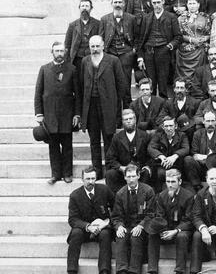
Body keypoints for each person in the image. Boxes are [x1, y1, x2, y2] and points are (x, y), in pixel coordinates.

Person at [80, 35, 128, 179]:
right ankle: (96, 170)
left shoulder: (113, 60)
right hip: (91, 106)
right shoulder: (85, 61)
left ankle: (108, 170)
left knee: (108, 139)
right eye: (92, 46)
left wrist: (117, 106)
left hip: (107, 106)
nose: (95, 49)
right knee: (94, 140)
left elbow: (121, 85)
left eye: (97, 46)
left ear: (103, 46)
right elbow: (82, 85)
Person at [35, 41, 81, 184]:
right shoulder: (44, 69)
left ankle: (67, 174)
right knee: (53, 146)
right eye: (57, 51)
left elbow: (78, 94)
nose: (59, 54)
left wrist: (77, 114)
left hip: (67, 114)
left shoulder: (72, 69)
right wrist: (39, 113)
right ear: (52, 52)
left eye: (62, 51)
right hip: (50, 115)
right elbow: (38, 92)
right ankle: (56, 174)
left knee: (67, 146)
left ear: (65, 52)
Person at [146, 169, 195, 274]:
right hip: (167, 230)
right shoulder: (162, 196)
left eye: (173, 181)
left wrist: (176, 231)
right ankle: (153, 273)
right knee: (152, 234)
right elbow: (160, 216)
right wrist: (163, 230)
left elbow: (189, 220)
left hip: (182, 232)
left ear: (180, 181)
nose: (170, 185)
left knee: (182, 236)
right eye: (168, 181)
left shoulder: (188, 196)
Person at [66, 166, 114, 274]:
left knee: (106, 234)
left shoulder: (104, 190)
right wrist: (87, 226)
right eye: (87, 179)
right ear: (82, 179)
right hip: (85, 230)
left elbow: (117, 209)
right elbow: (72, 219)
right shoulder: (75, 195)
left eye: (93, 178)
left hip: (102, 227)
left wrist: (107, 222)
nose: (91, 182)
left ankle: (105, 273)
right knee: (75, 233)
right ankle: (72, 273)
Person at [111, 164, 155, 274]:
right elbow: (116, 216)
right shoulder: (120, 194)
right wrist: (119, 226)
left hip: (143, 226)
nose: (131, 179)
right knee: (121, 236)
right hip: (127, 226)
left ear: (139, 176)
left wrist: (141, 225)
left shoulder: (148, 191)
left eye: (133, 176)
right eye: (128, 176)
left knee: (136, 236)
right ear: (124, 177)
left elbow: (152, 214)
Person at [137, 0, 182, 99]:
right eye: (154, 3)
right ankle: (151, 105)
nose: (156, 5)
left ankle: (164, 107)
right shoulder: (147, 18)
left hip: (164, 53)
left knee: (163, 83)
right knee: (151, 82)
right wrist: (140, 57)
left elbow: (178, 37)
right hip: (149, 53)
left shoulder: (171, 17)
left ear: (163, 2)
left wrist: (168, 46)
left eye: (158, 2)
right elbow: (140, 40)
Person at [99, 0, 136, 106]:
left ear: (124, 4)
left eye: (120, 2)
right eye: (115, 2)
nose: (118, 5)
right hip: (111, 53)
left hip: (126, 53)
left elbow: (136, 36)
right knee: (111, 82)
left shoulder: (131, 18)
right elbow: (101, 37)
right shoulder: (104, 19)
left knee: (125, 82)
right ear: (111, 4)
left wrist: (133, 51)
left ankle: (127, 108)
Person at [105, 109, 152, 193]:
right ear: (122, 122)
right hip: (123, 171)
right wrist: (120, 168)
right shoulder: (117, 137)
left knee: (147, 173)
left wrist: (147, 166)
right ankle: (116, 201)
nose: (129, 121)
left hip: (140, 170)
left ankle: (142, 199)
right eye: (126, 119)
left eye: (131, 119)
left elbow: (151, 155)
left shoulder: (145, 136)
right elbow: (110, 158)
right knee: (110, 174)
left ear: (135, 120)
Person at [183, 111, 216, 189]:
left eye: (212, 121)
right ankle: (197, 186)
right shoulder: (197, 134)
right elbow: (194, 153)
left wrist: (205, 157)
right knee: (188, 159)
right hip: (201, 166)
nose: (210, 124)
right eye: (208, 121)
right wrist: (209, 156)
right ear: (204, 122)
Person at [147, 116, 190, 192]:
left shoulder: (182, 135)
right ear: (163, 127)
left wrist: (174, 156)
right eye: (166, 126)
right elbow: (151, 148)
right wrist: (161, 156)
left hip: (177, 165)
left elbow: (186, 148)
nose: (169, 128)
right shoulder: (158, 135)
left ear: (175, 126)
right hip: (162, 165)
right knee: (160, 174)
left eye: (171, 126)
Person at [175, 0, 211, 83]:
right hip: (185, 51)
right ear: (187, 5)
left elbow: (210, 33)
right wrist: (191, 39)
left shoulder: (205, 17)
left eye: (194, 3)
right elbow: (178, 34)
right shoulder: (181, 18)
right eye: (190, 3)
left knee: (199, 74)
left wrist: (205, 39)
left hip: (200, 49)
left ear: (198, 4)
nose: (192, 6)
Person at [64, 0, 100, 77]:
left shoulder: (97, 24)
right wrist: (67, 61)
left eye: (87, 6)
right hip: (77, 59)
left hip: (92, 57)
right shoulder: (73, 25)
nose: (84, 8)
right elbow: (67, 44)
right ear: (79, 8)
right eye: (82, 6)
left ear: (91, 8)